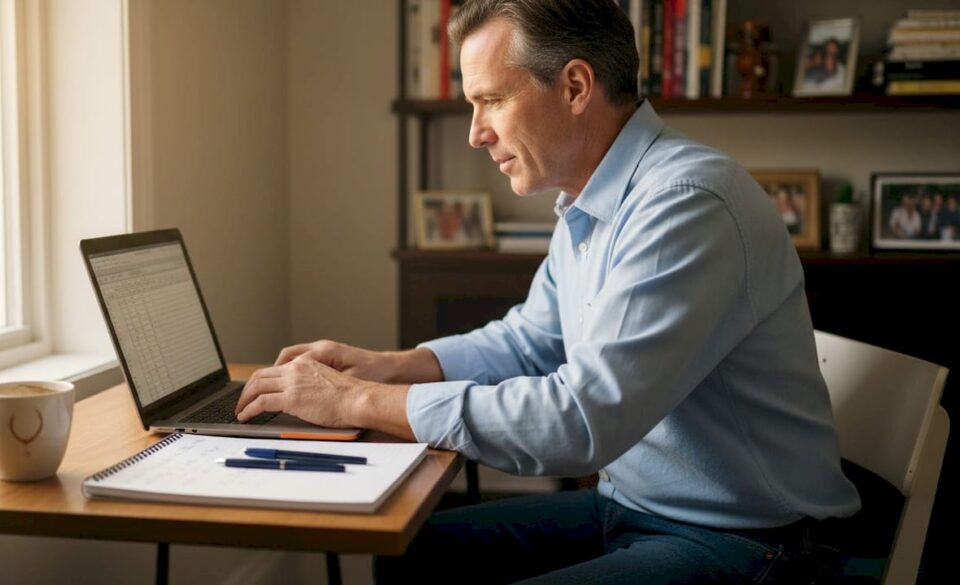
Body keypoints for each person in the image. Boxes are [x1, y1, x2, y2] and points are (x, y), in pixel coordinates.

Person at [235, 1, 860, 582]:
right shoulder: (596, 200)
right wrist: (393, 367)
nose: (476, 133)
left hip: (752, 543)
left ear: (576, 86)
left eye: (491, 101)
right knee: (408, 552)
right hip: (633, 508)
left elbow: (581, 421)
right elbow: (533, 341)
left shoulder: (683, 207)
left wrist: (359, 402)